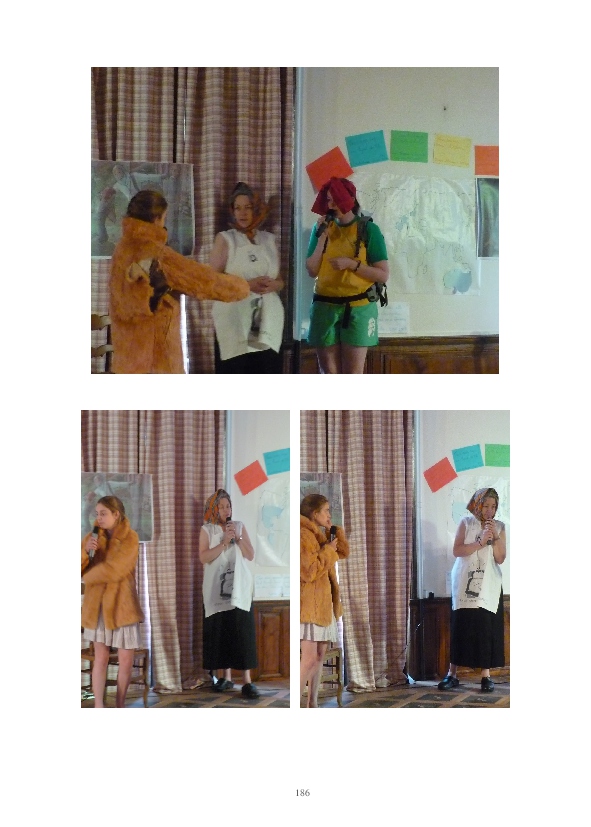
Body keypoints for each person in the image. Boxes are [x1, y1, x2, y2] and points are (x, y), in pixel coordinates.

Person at [109, 189, 250, 373]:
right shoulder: (157, 253)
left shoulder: (121, 249)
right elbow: (203, 281)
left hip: (127, 357)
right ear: (157, 219)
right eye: (164, 218)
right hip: (157, 356)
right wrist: (243, 286)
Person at [305, 176, 389, 374]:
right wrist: (321, 239)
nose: (331, 205)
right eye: (328, 200)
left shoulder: (368, 229)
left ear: (349, 199)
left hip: (358, 308)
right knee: (329, 374)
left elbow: (383, 275)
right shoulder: (322, 229)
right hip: (325, 306)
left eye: (336, 199)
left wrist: (352, 265)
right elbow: (311, 270)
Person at [208, 182, 285, 373]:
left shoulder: (269, 239)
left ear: (256, 209)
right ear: (232, 211)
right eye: (238, 208)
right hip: (234, 321)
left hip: (268, 321)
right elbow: (212, 281)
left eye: (248, 207)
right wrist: (247, 285)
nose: (242, 213)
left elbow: (281, 281)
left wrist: (274, 285)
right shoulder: (225, 239)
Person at [438, 487, 507, 693]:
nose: (489, 511)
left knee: (486, 628)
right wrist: (480, 542)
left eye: (493, 506)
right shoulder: (466, 523)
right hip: (464, 583)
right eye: (485, 506)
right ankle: (452, 674)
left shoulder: (500, 527)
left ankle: (486, 676)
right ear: (477, 505)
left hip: (488, 585)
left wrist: (495, 537)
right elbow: (457, 550)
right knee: (461, 627)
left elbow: (500, 558)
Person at [81, 496, 144, 708]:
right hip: (97, 607)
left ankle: (120, 705)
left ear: (116, 514)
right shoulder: (91, 537)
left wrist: (88, 578)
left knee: (126, 660)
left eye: (103, 513)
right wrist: (85, 552)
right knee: (101, 657)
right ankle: (99, 706)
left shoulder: (130, 538)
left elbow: (116, 570)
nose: (99, 518)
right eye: (97, 513)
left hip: (122, 607)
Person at [199, 489, 260, 698]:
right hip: (216, 590)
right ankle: (226, 678)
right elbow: (204, 557)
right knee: (221, 632)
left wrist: (238, 537)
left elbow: (250, 555)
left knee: (242, 633)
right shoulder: (207, 530)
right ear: (213, 509)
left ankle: (247, 681)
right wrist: (224, 542)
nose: (226, 510)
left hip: (239, 588)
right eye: (222, 506)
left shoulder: (239, 526)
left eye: (229, 506)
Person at [300, 494, 350, 707]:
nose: (329, 514)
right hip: (311, 604)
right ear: (315, 513)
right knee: (309, 658)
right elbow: (309, 571)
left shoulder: (318, 534)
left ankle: (312, 704)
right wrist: (328, 550)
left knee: (320, 655)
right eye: (326, 510)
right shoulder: (303, 535)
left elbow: (343, 553)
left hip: (323, 604)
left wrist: (334, 533)